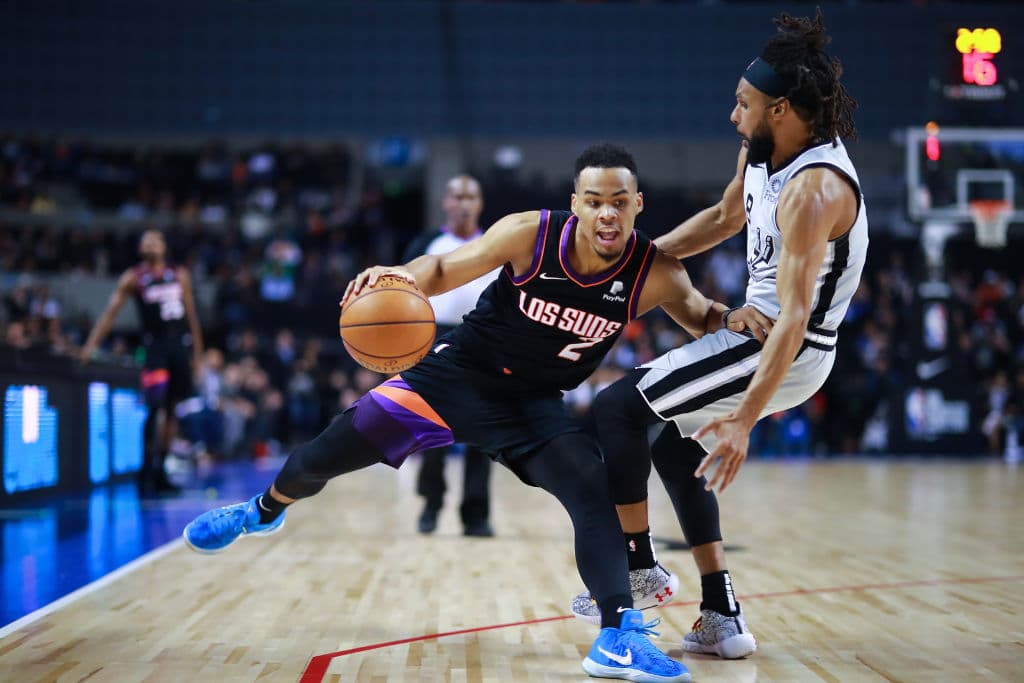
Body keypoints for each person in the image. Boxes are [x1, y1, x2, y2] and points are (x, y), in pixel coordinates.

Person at [182, 144, 770, 683]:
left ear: (638, 204)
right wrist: (395, 276)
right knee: (321, 458)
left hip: (532, 407)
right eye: (594, 202)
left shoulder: (655, 272)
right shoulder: (530, 235)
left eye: (620, 202)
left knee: (592, 484)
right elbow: (441, 271)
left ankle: (617, 633)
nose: (608, 214)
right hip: (454, 379)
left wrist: (727, 318)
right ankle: (262, 510)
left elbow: (696, 312)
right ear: (576, 205)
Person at [567, 9, 867, 662]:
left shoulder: (814, 189)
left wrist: (745, 420)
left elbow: (790, 318)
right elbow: (726, 216)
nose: (734, 115)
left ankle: (638, 569)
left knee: (617, 407)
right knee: (673, 444)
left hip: (789, 350)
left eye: (744, 104)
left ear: (782, 109)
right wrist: (638, 260)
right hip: (761, 335)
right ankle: (721, 613)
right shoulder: (764, 150)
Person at [403, 174, 498, 537]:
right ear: (446, 202)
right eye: (456, 196)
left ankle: (476, 514)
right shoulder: (427, 243)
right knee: (433, 430)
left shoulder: (495, 245)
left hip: (484, 338)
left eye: (470, 197)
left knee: (482, 432)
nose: (463, 203)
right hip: (432, 337)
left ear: (480, 203)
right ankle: (430, 503)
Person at [81, 230, 204, 494]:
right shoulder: (134, 278)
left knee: (172, 409)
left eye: (156, 240)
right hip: (155, 348)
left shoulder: (179, 274)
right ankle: (146, 468)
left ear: (164, 246)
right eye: (146, 240)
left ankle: (161, 470)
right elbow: (109, 314)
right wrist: (89, 346)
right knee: (154, 404)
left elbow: (192, 316)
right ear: (140, 248)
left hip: (179, 348)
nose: (151, 244)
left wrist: (198, 355)